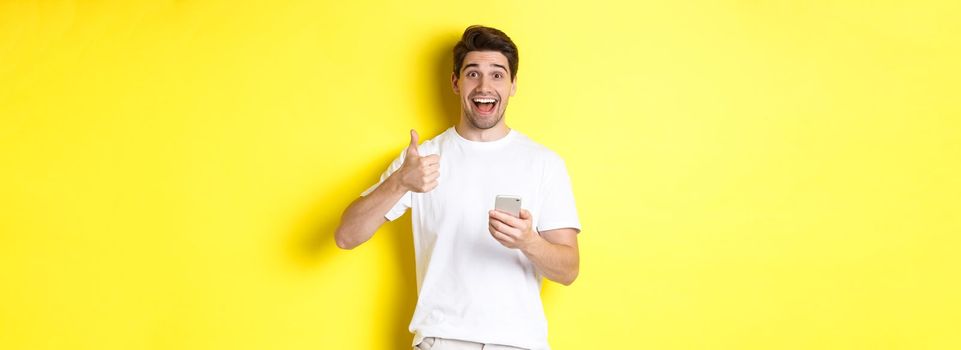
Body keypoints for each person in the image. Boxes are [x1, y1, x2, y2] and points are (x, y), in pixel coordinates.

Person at [334, 25, 581, 350]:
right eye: (473, 73)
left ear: (513, 85)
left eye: (497, 75)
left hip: (518, 344)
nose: (484, 85)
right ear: (456, 82)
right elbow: (346, 236)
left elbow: (568, 270)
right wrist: (398, 183)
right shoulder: (419, 161)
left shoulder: (544, 163)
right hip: (442, 341)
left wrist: (529, 241)